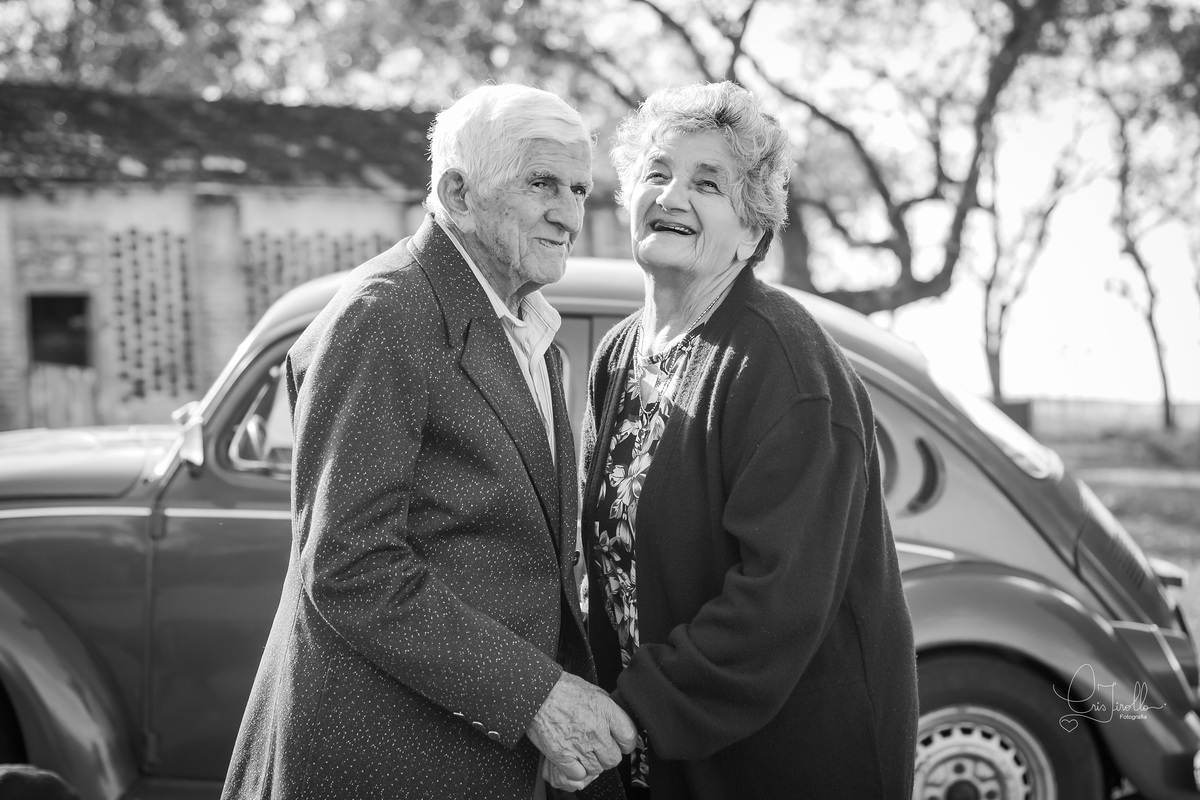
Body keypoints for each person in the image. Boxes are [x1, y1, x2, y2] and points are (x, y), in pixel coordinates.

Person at [222, 84, 634, 800]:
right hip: (380, 761)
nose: (569, 212)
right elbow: (350, 564)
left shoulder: (535, 337)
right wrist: (538, 695)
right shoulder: (387, 313)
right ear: (458, 192)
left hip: (472, 752)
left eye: (578, 187)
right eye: (542, 183)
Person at [580, 81, 919, 798]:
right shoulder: (620, 353)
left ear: (753, 230)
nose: (673, 195)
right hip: (657, 752)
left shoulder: (783, 364)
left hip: (784, 759)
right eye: (657, 172)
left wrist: (627, 713)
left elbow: (777, 604)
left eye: (708, 183)